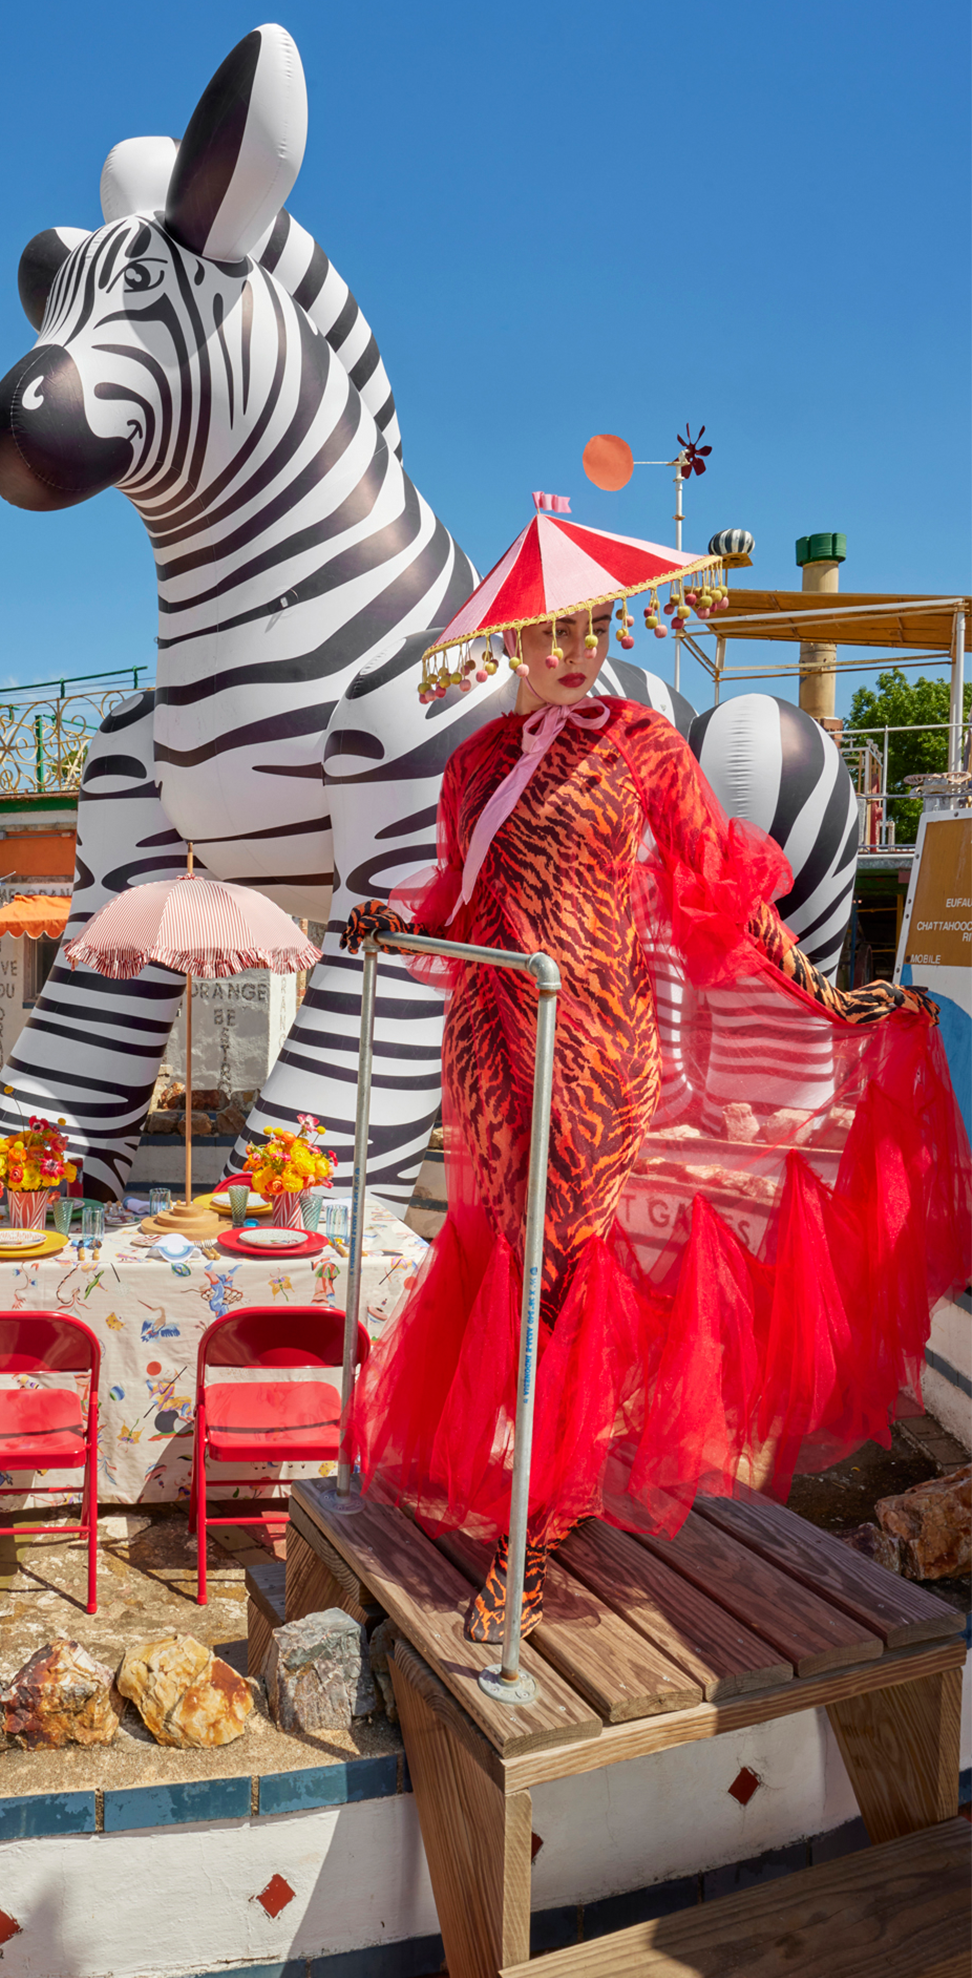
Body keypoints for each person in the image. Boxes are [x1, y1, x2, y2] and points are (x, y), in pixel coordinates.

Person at [343, 600, 969, 1642]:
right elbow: (457, 904)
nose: (574, 653)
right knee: (506, 1253)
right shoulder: (473, 763)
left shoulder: (641, 742)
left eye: (590, 632)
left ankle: (531, 1523)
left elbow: (719, 883)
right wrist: (393, 923)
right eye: (552, 634)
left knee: (560, 1260)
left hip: (594, 1039)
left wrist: (819, 989)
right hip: (487, 1038)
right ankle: (539, 1491)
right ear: (510, 641)